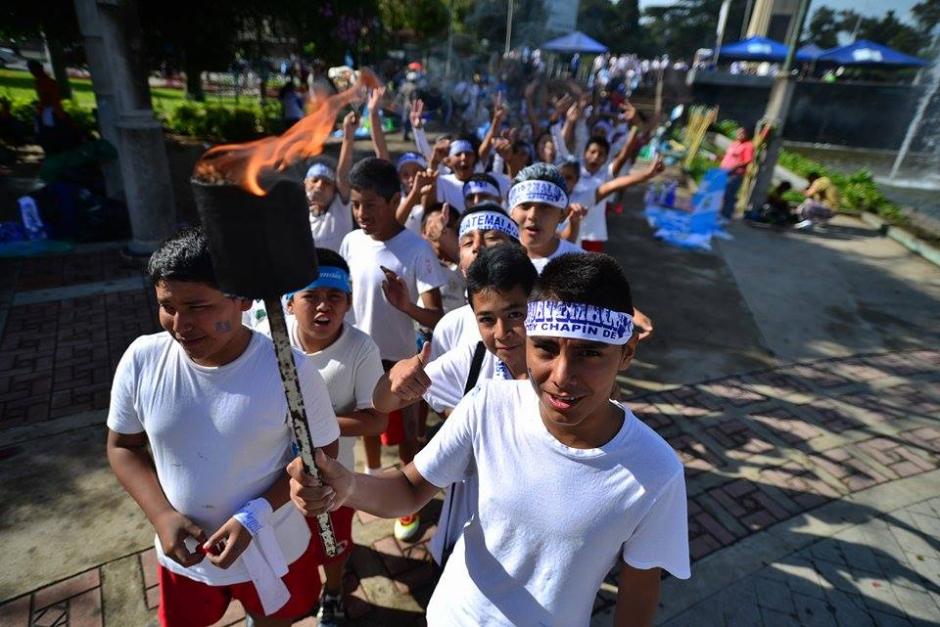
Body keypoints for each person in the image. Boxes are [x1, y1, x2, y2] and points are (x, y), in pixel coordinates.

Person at [289, 253, 690, 626]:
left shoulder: (656, 471)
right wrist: (347, 486)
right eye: (546, 348)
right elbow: (411, 488)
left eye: (590, 354)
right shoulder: (488, 405)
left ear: (627, 353)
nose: (562, 376)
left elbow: (638, 593)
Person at [107, 226, 340, 627]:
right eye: (167, 305)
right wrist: (162, 515)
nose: (180, 324)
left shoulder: (292, 372)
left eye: (198, 307)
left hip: (274, 547)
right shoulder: (142, 360)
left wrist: (255, 515)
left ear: (242, 300)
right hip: (185, 559)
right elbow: (123, 446)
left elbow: (322, 454)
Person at [374, 244, 536, 564]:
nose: (502, 333)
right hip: (470, 528)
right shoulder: (474, 358)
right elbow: (382, 404)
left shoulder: (564, 369)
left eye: (515, 313)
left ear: (538, 303)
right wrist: (394, 380)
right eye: (487, 319)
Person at [256, 248, 386, 627]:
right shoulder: (267, 340)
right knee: (279, 540)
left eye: (334, 297)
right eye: (310, 297)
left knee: (332, 544)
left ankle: (332, 591)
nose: (322, 307)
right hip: (273, 475)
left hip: (334, 477)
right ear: (290, 304)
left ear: (348, 303)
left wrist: (314, 425)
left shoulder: (362, 348)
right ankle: (268, 602)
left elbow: (375, 422)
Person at [338, 157, 447, 542]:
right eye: (355, 204)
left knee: (407, 436)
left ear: (394, 199)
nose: (361, 213)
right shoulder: (351, 242)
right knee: (366, 422)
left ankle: (409, 501)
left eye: (370, 204)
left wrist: (407, 307)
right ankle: (369, 478)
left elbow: (436, 318)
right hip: (357, 355)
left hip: (398, 363)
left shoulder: (416, 250)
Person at [430, 203, 521, 361]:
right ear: (461, 264)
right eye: (468, 242)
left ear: (519, 252)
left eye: (491, 238)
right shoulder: (449, 327)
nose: (478, 246)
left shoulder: (541, 318)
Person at [304, 114, 356, 253]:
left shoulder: (340, 209)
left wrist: (348, 135)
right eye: (314, 180)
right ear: (305, 185)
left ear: (335, 190)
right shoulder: (300, 216)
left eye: (327, 183)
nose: (320, 185)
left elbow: (342, 176)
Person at [719, 127, 755, 220]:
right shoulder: (734, 143)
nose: (740, 135)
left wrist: (734, 167)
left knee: (729, 195)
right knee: (722, 194)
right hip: (724, 172)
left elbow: (747, 160)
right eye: (738, 133)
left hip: (735, 174)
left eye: (742, 133)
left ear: (747, 135)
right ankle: (721, 213)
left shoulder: (748, 145)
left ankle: (726, 216)